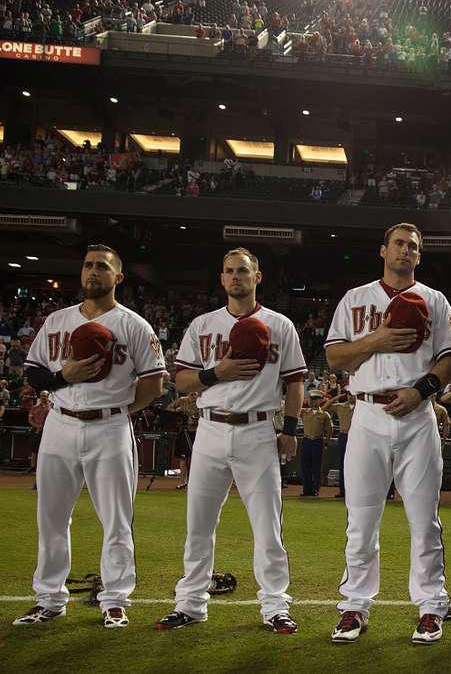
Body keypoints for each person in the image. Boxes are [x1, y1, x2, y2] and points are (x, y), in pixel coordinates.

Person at [15, 245, 166, 629]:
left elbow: (154, 383)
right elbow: (34, 372)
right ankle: (49, 598)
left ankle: (115, 599)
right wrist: (62, 378)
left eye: (102, 266)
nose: (93, 271)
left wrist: (120, 410)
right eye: (87, 265)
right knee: (50, 517)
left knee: (117, 519)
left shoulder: (134, 325)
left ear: (118, 277)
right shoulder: (57, 321)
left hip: (110, 427)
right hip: (60, 423)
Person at [324, 223, 451, 646]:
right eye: (399, 243)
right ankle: (354, 606)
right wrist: (377, 339)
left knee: (425, 521)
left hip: (418, 416)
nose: (405, 251)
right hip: (366, 411)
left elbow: (450, 358)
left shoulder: (435, 300)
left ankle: (430, 606)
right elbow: (334, 357)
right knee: (361, 520)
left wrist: (421, 391)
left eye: (413, 247)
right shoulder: (356, 298)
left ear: (419, 256)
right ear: (384, 250)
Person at [157, 247, 305, 635]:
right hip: (210, 427)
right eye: (229, 271)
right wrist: (217, 373)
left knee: (267, 526)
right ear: (221, 279)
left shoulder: (280, 325)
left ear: (258, 277)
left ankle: (275, 606)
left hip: (258, 429)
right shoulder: (203, 325)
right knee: (199, 524)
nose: (236, 276)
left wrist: (290, 429)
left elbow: (295, 381)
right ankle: (190, 603)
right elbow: (182, 380)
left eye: (243, 270)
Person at [300, 393, 333, 496]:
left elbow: (330, 428)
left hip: (317, 440)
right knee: (305, 466)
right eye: (311, 399)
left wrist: (327, 441)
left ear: (320, 400)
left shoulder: (324, 414)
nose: (313, 401)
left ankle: (315, 489)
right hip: (306, 440)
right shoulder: (305, 412)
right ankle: (306, 489)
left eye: (315, 399)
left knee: (316, 467)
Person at [324, 390, 355, 498]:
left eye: (353, 394)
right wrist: (337, 397)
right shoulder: (340, 406)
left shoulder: (361, 407)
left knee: (356, 465)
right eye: (349, 394)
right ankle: (343, 490)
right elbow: (324, 408)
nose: (351, 396)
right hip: (343, 435)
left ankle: (354, 491)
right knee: (342, 464)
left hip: (355, 436)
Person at [167, 391, 200, 489]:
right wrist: (177, 411)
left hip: (198, 432)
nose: (193, 396)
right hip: (183, 431)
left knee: (197, 458)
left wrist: (196, 419)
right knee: (183, 458)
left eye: (195, 394)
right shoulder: (181, 400)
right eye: (191, 394)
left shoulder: (201, 402)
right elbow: (168, 408)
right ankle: (183, 482)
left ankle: (195, 482)